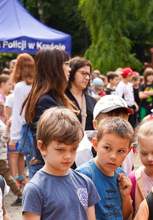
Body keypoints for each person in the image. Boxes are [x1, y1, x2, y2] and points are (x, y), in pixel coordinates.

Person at [21, 47, 75, 178]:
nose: (69, 69)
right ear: (54, 68)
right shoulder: (46, 101)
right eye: (66, 64)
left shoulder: (51, 97)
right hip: (51, 168)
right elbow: (60, 139)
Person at [8, 52, 35, 194]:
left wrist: (14, 137)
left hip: (26, 128)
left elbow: (18, 113)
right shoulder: (37, 84)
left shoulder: (19, 87)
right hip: (37, 126)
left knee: (30, 163)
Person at [66, 57, 97, 131]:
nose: (87, 78)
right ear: (72, 72)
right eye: (83, 73)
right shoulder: (61, 97)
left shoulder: (92, 100)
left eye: (89, 75)